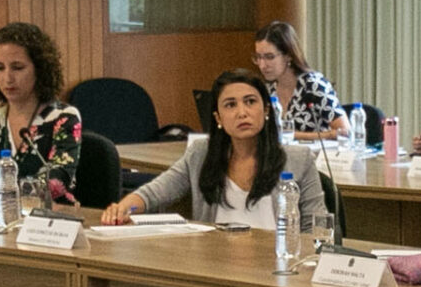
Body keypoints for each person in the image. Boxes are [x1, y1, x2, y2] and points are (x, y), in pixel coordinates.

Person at [98, 69, 315, 228]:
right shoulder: (201, 154)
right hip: (216, 264)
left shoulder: (298, 160)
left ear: (266, 110)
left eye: (250, 102)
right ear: (218, 118)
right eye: (231, 105)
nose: (242, 112)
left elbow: (317, 228)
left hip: (277, 267)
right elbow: (154, 194)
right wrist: (124, 209)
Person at [0, 22, 84, 201]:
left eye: (18, 68)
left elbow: (57, 183)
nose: (7, 78)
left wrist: (2, 188)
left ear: (40, 69)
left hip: (46, 221)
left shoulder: (63, 118)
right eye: (0, 68)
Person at [252, 21, 348, 142]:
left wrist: (291, 135)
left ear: (288, 55)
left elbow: (344, 132)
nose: (262, 65)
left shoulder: (314, 85)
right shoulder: (267, 89)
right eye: (258, 57)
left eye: (269, 57)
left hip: (315, 158)